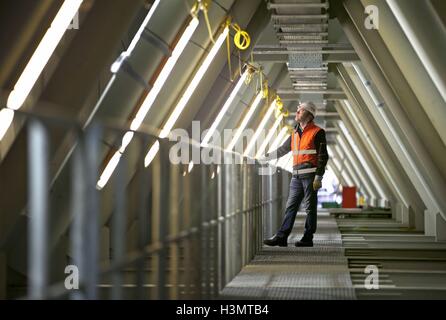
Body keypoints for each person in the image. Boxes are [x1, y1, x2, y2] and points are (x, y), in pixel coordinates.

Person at [261, 102, 329, 247]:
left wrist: (318, 177)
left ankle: (308, 237)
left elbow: (323, 156)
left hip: (310, 176)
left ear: (309, 115)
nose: (297, 112)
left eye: (301, 110)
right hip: (296, 176)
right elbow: (283, 149)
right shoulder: (295, 132)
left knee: (310, 207)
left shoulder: (317, 132)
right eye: (297, 109)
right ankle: (282, 237)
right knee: (290, 206)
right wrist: (265, 157)